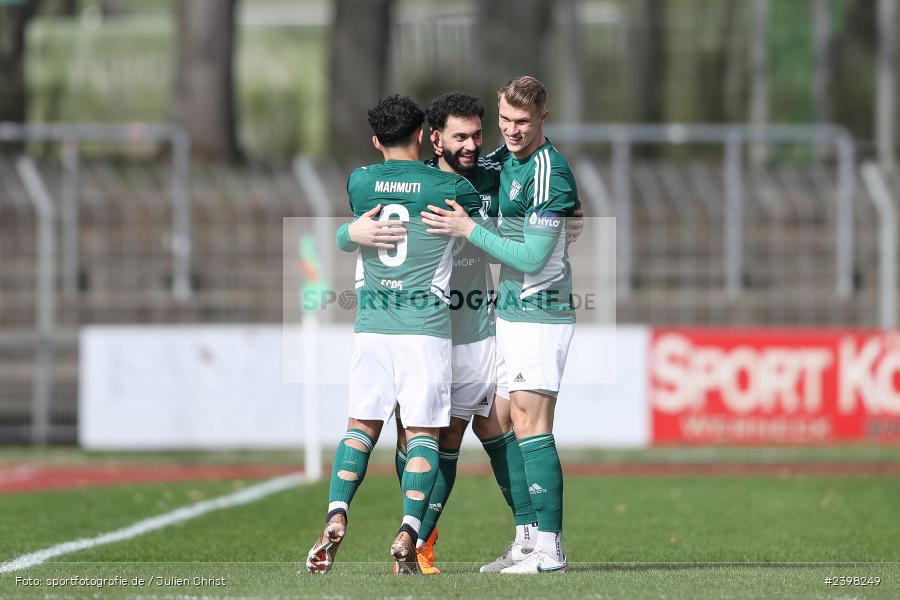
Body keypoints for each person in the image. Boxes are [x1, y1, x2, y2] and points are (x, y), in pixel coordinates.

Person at [343, 89, 583, 574]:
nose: (474, 145)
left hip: (484, 328)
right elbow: (365, 224)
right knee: (434, 439)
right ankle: (419, 542)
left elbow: (539, 215)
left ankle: (529, 537)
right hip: (429, 335)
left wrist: (562, 220)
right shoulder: (418, 186)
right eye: (461, 136)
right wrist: (348, 234)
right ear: (434, 139)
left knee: (500, 427)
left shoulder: (491, 177)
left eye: (479, 134)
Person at [305, 94, 484, 575]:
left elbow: (356, 225)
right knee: (423, 433)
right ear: (426, 136)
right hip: (425, 329)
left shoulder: (360, 183)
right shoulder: (451, 188)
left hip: (371, 327)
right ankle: (409, 529)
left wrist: (347, 235)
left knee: (361, 427)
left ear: (375, 140)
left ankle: (336, 513)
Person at [421, 76, 577, 574]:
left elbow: (532, 257)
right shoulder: (506, 162)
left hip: (540, 309)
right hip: (508, 313)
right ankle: (527, 538)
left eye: (522, 122)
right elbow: (452, 170)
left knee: (533, 425)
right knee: (506, 420)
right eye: (505, 120)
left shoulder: (550, 171)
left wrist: (470, 228)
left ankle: (549, 551)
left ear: (543, 119)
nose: (510, 130)